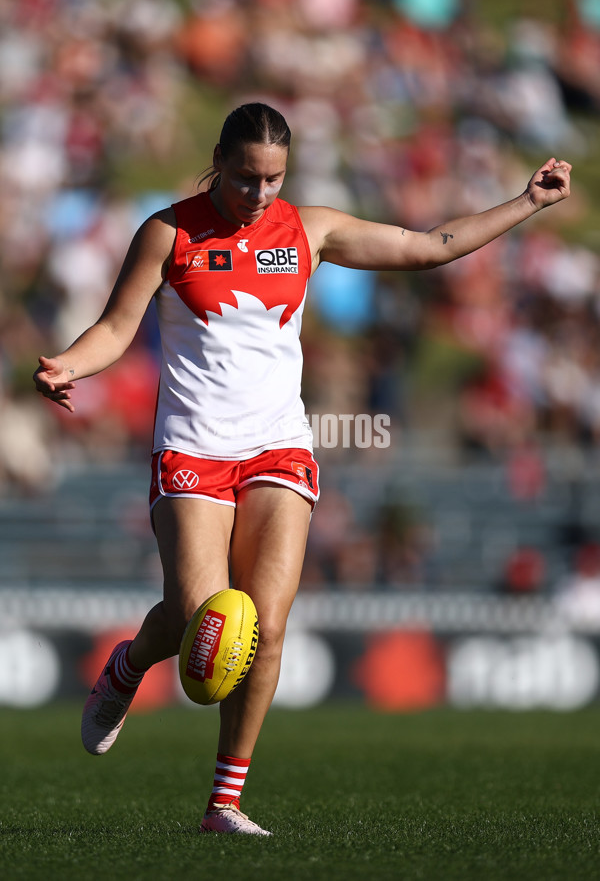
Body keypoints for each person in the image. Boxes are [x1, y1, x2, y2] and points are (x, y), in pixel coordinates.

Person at [33, 102, 572, 836]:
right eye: (247, 176)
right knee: (202, 618)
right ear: (219, 159)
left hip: (278, 445)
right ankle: (129, 667)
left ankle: (224, 803)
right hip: (192, 446)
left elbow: (428, 247)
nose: (259, 193)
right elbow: (118, 327)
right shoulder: (168, 231)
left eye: (273, 179)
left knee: (265, 624)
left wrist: (526, 203)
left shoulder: (308, 229)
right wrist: (69, 363)